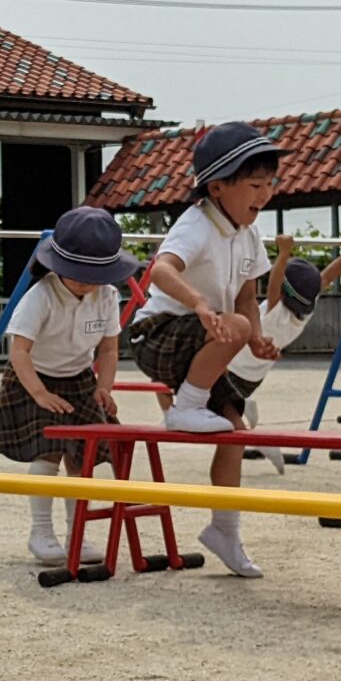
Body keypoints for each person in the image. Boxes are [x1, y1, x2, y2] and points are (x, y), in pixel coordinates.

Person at [122, 122, 286, 577]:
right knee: (228, 324)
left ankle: (224, 530)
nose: (265, 195)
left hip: (203, 336)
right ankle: (183, 406)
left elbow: (248, 299)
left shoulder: (249, 233)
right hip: (156, 334)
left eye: (270, 184)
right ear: (217, 187)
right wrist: (198, 304)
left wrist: (255, 337)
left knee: (234, 432)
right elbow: (160, 271)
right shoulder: (196, 223)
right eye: (255, 185)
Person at [0, 206, 143, 566]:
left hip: (79, 378)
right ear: (58, 265)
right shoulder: (41, 295)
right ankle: (41, 532)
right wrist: (39, 393)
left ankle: (78, 533)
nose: (86, 281)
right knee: (48, 452)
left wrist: (104, 387)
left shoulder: (105, 295)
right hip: (34, 377)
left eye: (95, 274)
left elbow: (109, 347)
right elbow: (19, 351)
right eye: (79, 274)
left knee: (82, 458)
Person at [227, 234, 341, 436]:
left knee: (212, 409)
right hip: (254, 377)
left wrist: (284, 253)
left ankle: (243, 415)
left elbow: (274, 282)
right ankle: (242, 406)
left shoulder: (274, 313)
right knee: (222, 411)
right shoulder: (304, 314)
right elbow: (325, 278)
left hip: (233, 369)